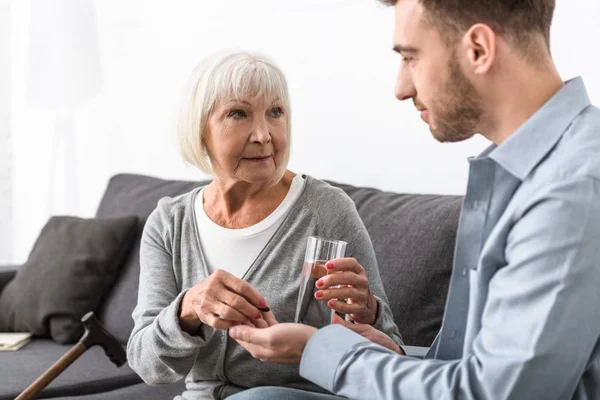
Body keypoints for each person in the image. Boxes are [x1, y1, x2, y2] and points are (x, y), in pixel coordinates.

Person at [228, 0, 600, 399]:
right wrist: (388, 357)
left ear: (478, 49)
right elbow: (482, 369)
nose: (401, 88)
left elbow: (498, 393)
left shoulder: (570, 190)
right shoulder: (527, 171)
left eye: (411, 57)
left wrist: (319, 350)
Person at [126, 50, 402, 400]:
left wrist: (370, 312)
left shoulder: (326, 210)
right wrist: (189, 308)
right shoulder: (170, 222)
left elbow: (394, 351)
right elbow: (147, 365)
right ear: (199, 129)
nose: (263, 134)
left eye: (276, 112)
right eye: (238, 114)